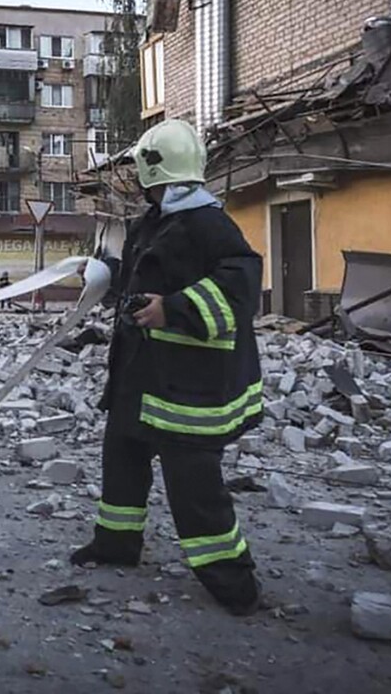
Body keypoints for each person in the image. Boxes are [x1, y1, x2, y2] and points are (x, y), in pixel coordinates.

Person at [71, 119, 264, 617]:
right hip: (141, 376)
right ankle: (116, 544)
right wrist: (101, 276)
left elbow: (241, 289)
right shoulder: (152, 222)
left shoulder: (209, 225)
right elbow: (138, 278)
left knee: (194, 487)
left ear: (153, 173)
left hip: (186, 387)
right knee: (122, 462)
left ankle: (232, 580)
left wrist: (172, 309)